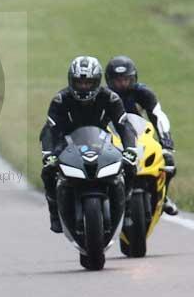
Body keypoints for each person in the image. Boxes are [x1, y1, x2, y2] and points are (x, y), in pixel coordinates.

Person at [39, 56, 138, 233]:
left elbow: (124, 125)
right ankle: (54, 213)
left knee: (129, 166)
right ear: (71, 81)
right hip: (67, 142)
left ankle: (127, 210)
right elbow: (50, 128)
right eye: (79, 83)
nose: (84, 87)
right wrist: (47, 153)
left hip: (103, 140)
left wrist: (130, 149)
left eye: (88, 83)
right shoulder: (60, 100)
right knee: (48, 171)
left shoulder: (111, 98)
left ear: (98, 81)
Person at [105, 55, 178, 216]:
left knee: (168, 163)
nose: (122, 83)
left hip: (140, 136)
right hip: (113, 139)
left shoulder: (143, 93)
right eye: (117, 80)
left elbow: (158, 116)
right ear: (109, 80)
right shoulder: (104, 96)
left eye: (126, 79)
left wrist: (167, 144)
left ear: (134, 78)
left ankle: (163, 196)